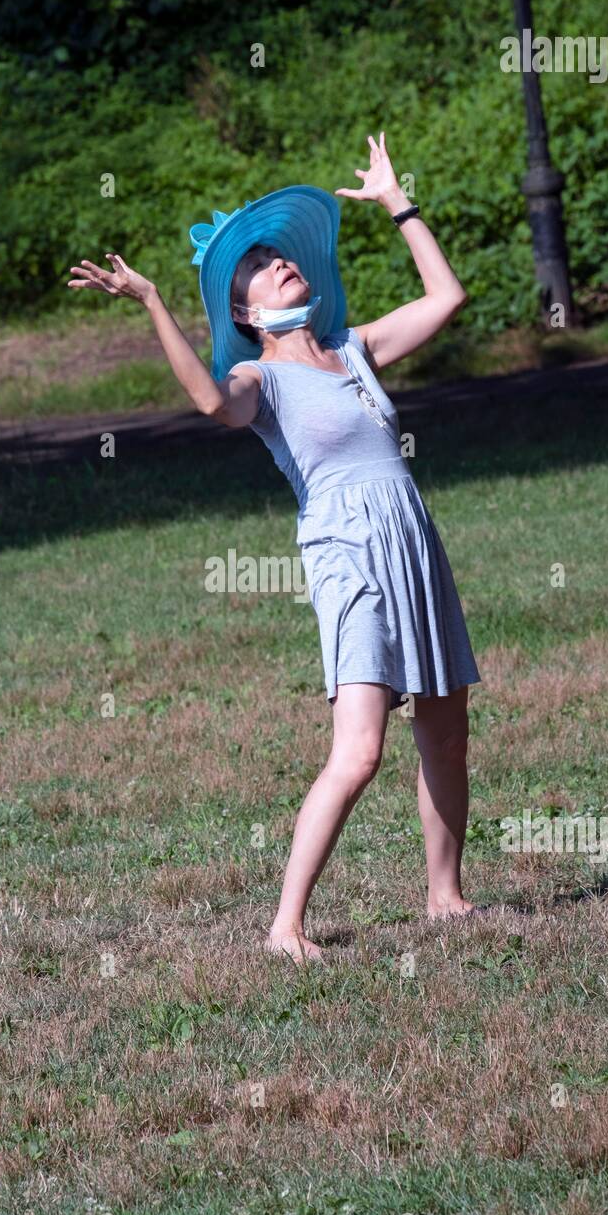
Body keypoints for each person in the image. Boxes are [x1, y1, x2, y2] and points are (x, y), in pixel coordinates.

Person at [67, 131, 482, 965]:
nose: (279, 261)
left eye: (278, 253)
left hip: (412, 539)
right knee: (360, 750)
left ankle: (445, 897)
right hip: (348, 555)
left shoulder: (355, 350)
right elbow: (209, 402)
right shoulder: (262, 381)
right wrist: (154, 302)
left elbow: (447, 297)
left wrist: (398, 203)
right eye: (258, 262)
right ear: (246, 309)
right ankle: (285, 924)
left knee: (445, 728)